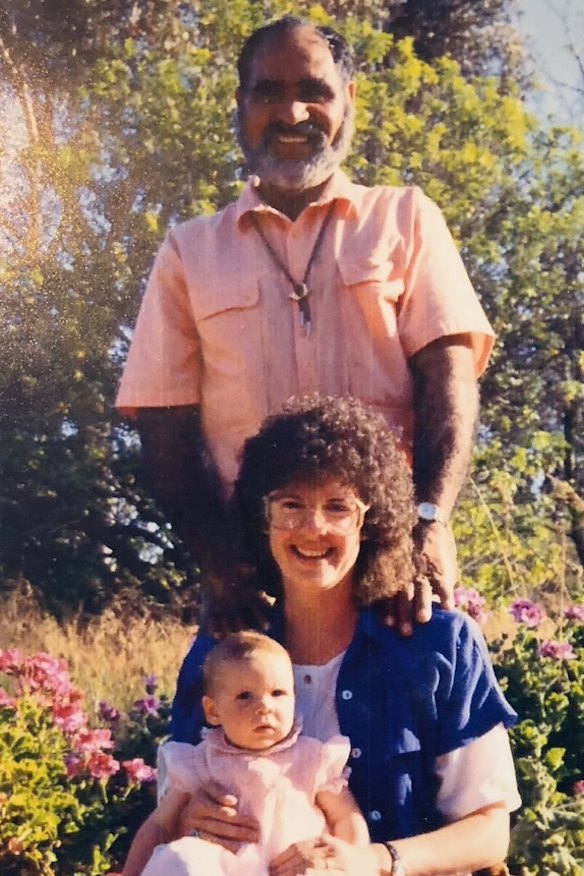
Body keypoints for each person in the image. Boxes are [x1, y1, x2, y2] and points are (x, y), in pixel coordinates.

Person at [115, 16, 496, 631]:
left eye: (314, 91)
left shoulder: (406, 219)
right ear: (240, 107)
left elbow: (450, 383)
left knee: (425, 722)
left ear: (348, 103)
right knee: (236, 729)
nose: (291, 113)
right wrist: (223, 567)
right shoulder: (189, 251)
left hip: (396, 581)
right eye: (268, 92)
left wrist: (429, 524)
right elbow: (164, 431)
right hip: (257, 593)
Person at [168, 396, 521, 876]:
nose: (314, 528)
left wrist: (374, 860)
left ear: (370, 522)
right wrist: (190, 816)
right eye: (291, 505)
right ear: (261, 518)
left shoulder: (439, 645)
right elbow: (173, 808)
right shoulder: (218, 652)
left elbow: (489, 830)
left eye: (338, 507)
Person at [123, 631, 369, 876]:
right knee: (181, 858)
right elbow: (158, 826)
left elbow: (347, 819)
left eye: (278, 693)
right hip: (223, 869)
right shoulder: (200, 762)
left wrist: (351, 861)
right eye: (245, 696)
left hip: (291, 867)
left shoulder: (313, 759)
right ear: (213, 711)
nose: (265, 707)